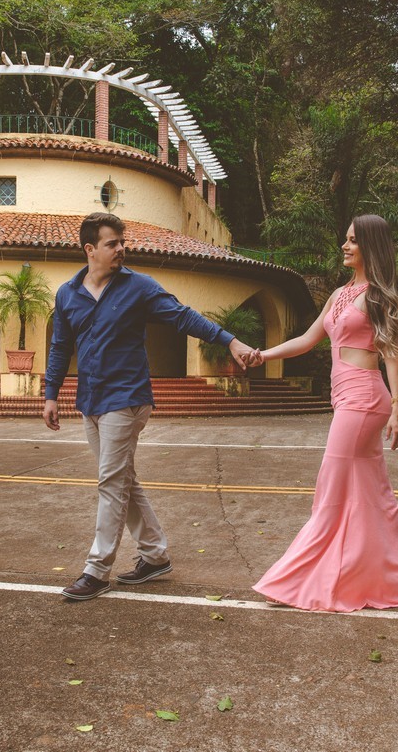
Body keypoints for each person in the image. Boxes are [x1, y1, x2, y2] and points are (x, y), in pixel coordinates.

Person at [44, 212, 257, 601]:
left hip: (126, 398)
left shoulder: (138, 287)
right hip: (90, 399)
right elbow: (60, 346)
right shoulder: (67, 293)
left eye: (123, 241)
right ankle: (155, 555)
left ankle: (96, 570)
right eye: (113, 243)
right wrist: (50, 394)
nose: (122, 248)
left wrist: (230, 341)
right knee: (123, 479)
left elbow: (182, 316)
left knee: (111, 481)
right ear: (90, 249)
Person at [247, 214, 398, 612]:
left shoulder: (381, 297)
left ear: (371, 247)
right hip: (345, 398)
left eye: (354, 241)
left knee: (331, 486)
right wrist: (263, 355)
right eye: (345, 239)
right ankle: (386, 575)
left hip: (364, 399)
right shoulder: (340, 293)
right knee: (369, 490)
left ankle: (297, 578)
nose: (345, 246)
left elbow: (392, 355)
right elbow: (307, 340)